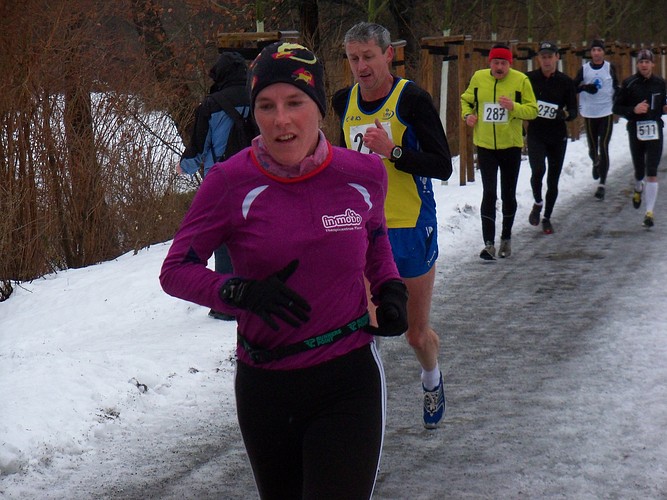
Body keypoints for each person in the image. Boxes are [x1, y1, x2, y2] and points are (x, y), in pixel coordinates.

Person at [161, 41, 408, 499]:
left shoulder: (363, 173)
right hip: (266, 385)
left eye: (295, 102)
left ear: (319, 108)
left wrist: (391, 288)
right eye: (266, 106)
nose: (281, 119)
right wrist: (238, 292)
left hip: (347, 376)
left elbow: (375, 236)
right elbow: (176, 270)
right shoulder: (228, 182)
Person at [332, 22, 453, 429]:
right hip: (364, 228)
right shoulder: (343, 101)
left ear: (388, 55)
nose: (361, 66)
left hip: (410, 226)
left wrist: (394, 151)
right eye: (353, 58)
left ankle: (431, 379)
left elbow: (443, 166)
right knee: (366, 330)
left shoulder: (412, 100)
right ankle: (366, 418)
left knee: (415, 334)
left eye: (368, 56)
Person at [178, 51, 253, 321]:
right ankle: (258, 294)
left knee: (224, 237)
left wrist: (183, 167)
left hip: (222, 181)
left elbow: (198, 148)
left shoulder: (211, 105)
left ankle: (226, 303)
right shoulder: (260, 97)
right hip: (259, 175)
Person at [461, 43, 538, 259]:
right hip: (485, 145)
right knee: (489, 192)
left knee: (507, 194)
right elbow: (466, 100)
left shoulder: (521, 80)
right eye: (496, 62)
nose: (499, 67)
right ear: (490, 63)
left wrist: (514, 107)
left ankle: (506, 236)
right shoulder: (479, 78)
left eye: (504, 63)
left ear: (509, 64)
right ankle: (488, 244)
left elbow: (533, 110)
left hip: (511, 146)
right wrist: (468, 116)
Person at [526, 41, 578, 234]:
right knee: (538, 170)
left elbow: (574, 111)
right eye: (543, 57)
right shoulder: (529, 79)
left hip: (557, 136)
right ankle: (538, 202)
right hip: (536, 133)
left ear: (557, 57)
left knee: (553, 179)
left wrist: (564, 114)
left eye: (550, 56)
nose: (547, 61)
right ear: (538, 59)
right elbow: (520, 103)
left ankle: (547, 217)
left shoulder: (566, 82)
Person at [612, 48, 667, 228]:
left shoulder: (660, 83)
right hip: (636, 129)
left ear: (653, 64)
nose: (644, 65)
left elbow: (664, 103)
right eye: (641, 62)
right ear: (637, 64)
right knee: (639, 170)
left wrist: (664, 108)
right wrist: (633, 110)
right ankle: (638, 187)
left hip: (655, 130)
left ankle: (649, 213)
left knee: (652, 170)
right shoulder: (629, 83)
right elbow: (616, 108)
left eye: (647, 62)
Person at [574, 39, 619, 201]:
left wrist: (618, 100)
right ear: (591, 53)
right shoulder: (584, 69)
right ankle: (595, 162)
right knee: (593, 148)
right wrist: (585, 87)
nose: (596, 53)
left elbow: (616, 86)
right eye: (594, 50)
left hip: (606, 112)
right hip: (589, 113)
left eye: (599, 50)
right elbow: (573, 87)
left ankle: (602, 184)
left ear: (603, 52)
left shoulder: (609, 68)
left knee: (604, 146)